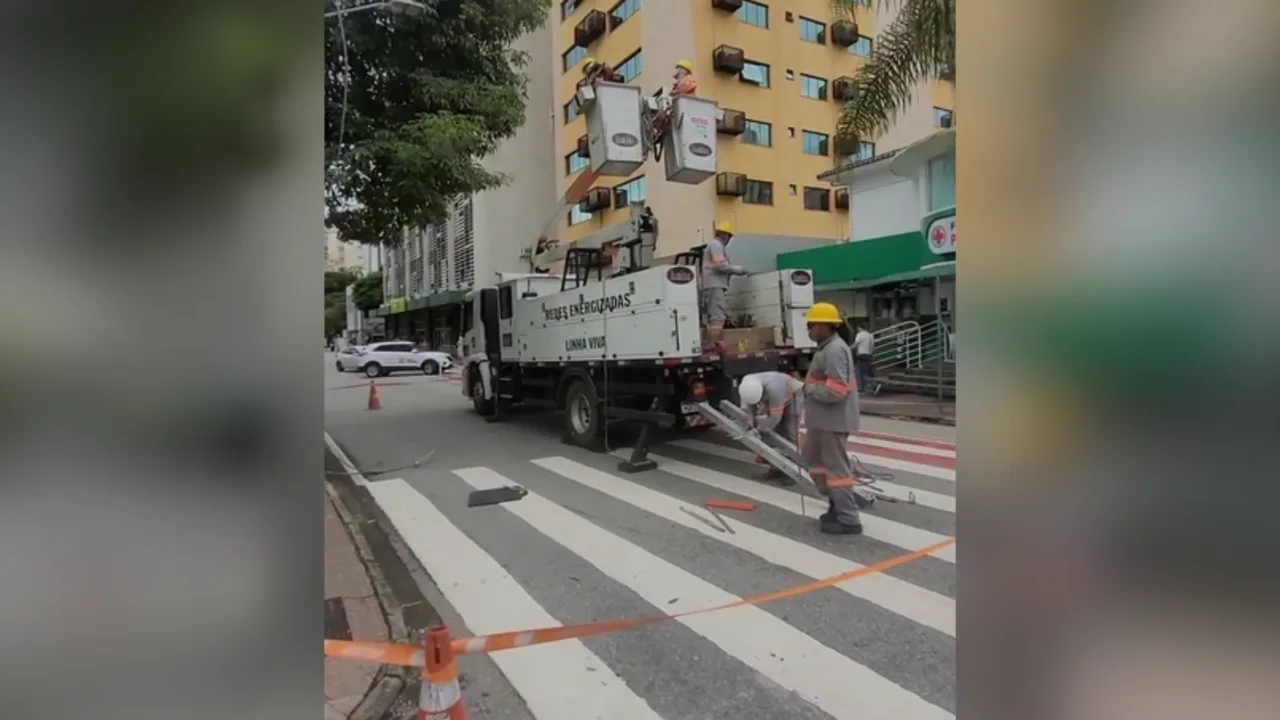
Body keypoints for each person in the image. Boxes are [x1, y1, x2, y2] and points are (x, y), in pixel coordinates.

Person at [801, 302, 863, 535]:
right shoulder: (826, 348)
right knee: (817, 463)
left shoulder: (835, 350)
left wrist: (807, 389)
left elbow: (837, 391)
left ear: (825, 326)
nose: (808, 329)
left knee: (836, 469)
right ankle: (836, 507)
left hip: (832, 420)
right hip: (823, 420)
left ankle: (849, 519)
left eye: (811, 325)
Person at [737, 371, 805, 485]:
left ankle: (796, 472)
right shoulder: (749, 383)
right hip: (775, 395)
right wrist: (751, 420)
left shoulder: (775, 389)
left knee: (789, 433)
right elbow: (751, 404)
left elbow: (775, 417)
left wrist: (757, 430)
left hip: (793, 396)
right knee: (772, 434)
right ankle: (776, 468)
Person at [700, 221, 747, 353]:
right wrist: (739, 270)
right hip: (715, 285)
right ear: (725, 235)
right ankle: (712, 346)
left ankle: (712, 344)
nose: (729, 240)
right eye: (729, 236)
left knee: (714, 316)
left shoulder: (714, 246)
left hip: (711, 285)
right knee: (717, 316)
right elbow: (720, 265)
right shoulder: (716, 245)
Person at [852, 324, 879, 395]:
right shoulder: (870, 335)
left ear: (859, 328)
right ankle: (864, 387)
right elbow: (872, 347)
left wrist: (850, 348)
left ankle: (873, 385)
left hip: (861, 355)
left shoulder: (859, 335)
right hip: (869, 355)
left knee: (861, 373)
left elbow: (856, 343)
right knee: (867, 372)